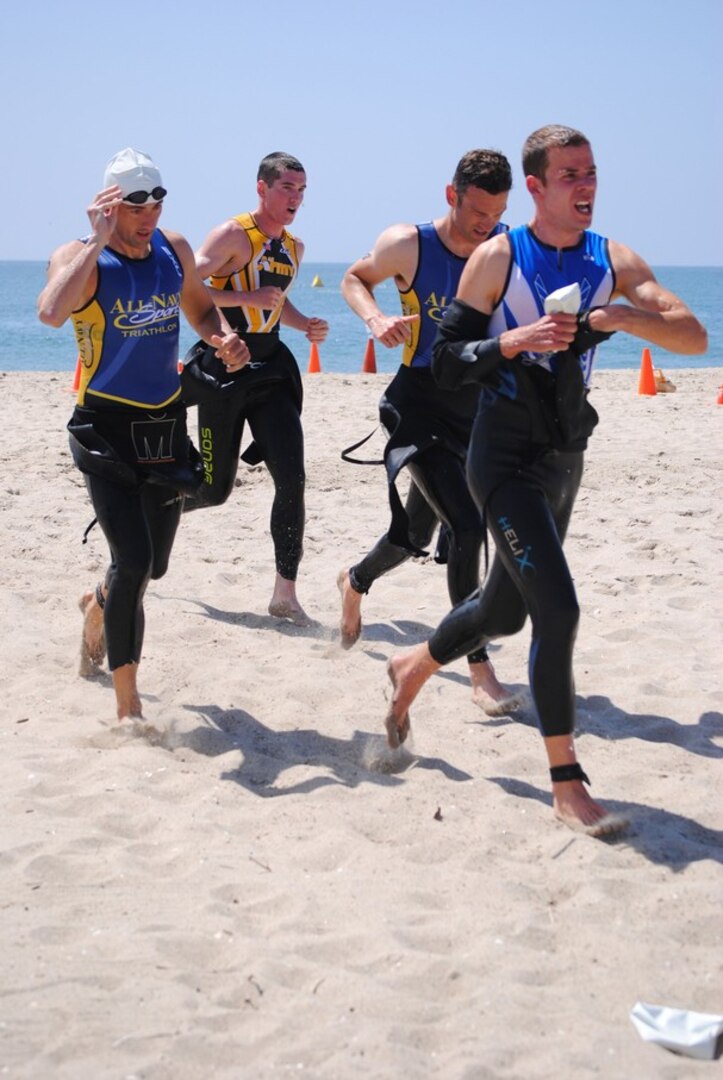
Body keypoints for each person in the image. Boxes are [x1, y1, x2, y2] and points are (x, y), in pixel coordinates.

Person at [383, 125, 707, 837]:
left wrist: (629, 316)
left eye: (590, 172)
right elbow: (442, 361)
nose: (585, 186)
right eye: (569, 175)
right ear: (534, 187)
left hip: (564, 457)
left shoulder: (611, 258)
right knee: (556, 611)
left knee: (504, 612)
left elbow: (692, 335)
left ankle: (412, 664)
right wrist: (512, 341)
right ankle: (566, 783)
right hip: (499, 459)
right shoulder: (500, 257)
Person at [37, 148, 249, 722]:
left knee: (150, 568)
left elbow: (202, 311)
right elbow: (51, 313)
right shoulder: (80, 257)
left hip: (163, 425)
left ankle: (98, 603)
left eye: (157, 198)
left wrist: (222, 337)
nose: (148, 211)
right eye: (135, 201)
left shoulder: (172, 249)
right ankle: (128, 707)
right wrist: (97, 242)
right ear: (108, 203)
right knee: (131, 559)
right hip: (103, 425)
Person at [338, 149, 519, 713]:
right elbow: (353, 278)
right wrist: (375, 318)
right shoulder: (408, 244)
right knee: (468, 526)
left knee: (413, 535)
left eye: (497, 213)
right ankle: (478, 663)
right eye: (476, 213)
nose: (485, 225)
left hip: (473, 410)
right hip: (415, 403)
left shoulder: (506, 248)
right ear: (452, 195)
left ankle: (355, 581)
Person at [181, 152, 328, 627]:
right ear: (262, 188)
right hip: (223, 366)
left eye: (302, 190)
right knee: (213, 490)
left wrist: (303, 322)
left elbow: (276, 302)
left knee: (293, 477)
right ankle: (153, 511)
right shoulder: (232, 235)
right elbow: (188, 286)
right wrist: (244, 299)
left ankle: (285, 593)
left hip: (271, 369)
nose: (296, 199)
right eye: (287, 188)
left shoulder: (294, 248)